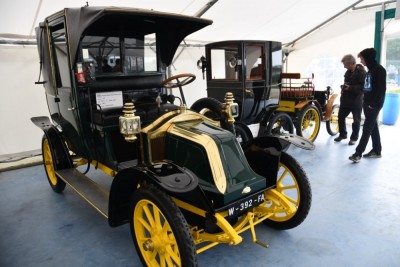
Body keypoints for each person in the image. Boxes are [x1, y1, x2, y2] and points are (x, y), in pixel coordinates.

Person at [349, 48, 386, 163]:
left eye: (362, 58)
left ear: (368, 58)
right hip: (368, 103)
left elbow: (381, 90)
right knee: (373, 128)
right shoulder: (370, 70)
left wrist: (373, 105)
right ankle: (377, 150)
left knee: (366, 129)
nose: (361, 61)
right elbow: (368, 87)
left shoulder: (379, 70)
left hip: (373, 105)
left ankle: (357, 153)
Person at [334, 54, 366, 145]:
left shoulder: (362, 73)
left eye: (345, 65)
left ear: (351, 64)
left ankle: (354, 138)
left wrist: (350, 88)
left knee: (356, 121)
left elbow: (363, 88)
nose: (344, 67)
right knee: (340, 117)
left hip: (356, 101)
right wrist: (344, 87)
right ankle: (343, 134)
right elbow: (348, 83)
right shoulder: (348, 71)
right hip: (345, 100)